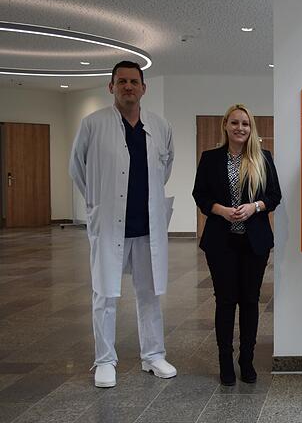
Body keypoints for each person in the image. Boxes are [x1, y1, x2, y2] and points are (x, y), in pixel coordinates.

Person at [69, 61, 176, 388]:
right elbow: (78, 169)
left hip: (147, 227)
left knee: (149, 293)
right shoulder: (93, 124)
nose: (128, 87)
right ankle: (105, 360)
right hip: (110, 226)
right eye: (122, 81)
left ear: (144, 88)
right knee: (105, 294)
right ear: (111, 87)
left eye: (134, 81)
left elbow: (166, 164)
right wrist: (99, 204)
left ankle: (153, 355)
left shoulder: (159, 126)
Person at [192, 104, 281, 386]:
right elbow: (200, 195)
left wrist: (254, 207)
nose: (240, 128)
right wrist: (220, 209)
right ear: (225, 126)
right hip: (221, 242)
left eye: (245, 123)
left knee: (250, 301)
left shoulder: (263, 158)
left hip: (254, 243)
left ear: (251, 128)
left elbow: (274, 196)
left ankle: (247, 360)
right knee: (226, 301)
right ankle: (225, 362)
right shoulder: (210, 158)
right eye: (235, 123)